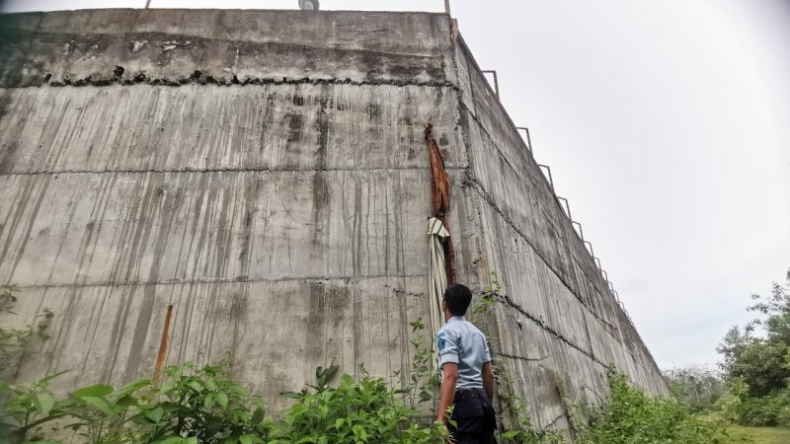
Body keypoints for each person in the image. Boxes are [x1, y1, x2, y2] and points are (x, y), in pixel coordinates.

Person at [436, 283, 497, 444]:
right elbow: (489, 376)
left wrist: (441, 420)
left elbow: (451, 375)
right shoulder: (478, 334)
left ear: (444, 304)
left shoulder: (446, 333)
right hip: (484, 403)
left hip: (463, 407)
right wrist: (484, 404)